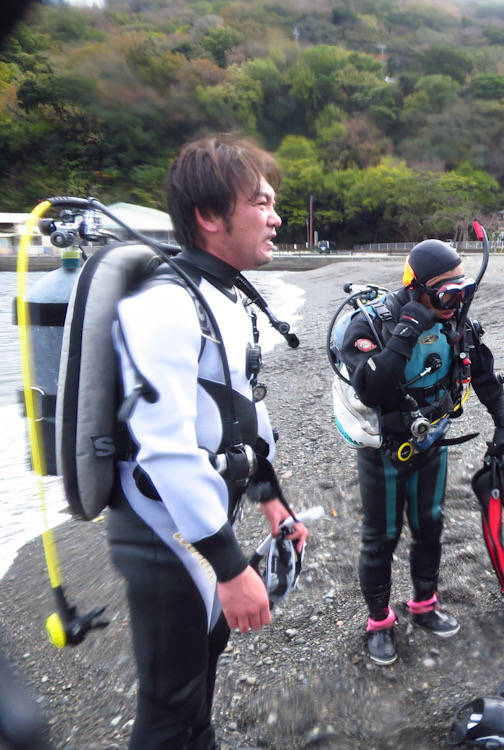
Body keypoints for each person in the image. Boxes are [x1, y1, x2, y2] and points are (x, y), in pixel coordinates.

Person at [107, 133, 309, 748]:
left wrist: (272, 499)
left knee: (200, 681)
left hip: (197, 526)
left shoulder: (220, 295)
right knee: (169, 709)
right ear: (208, 216)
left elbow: (238, 410)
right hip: (162, 535)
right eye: (262, 203)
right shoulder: (165, 305)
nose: (276, 218)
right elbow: (164, 445)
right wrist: (226, 564)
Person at [339, 239, 504, 665]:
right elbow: (371, 387)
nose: (456, 303)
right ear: (416, 288)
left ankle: (424, 603)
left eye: (463, 291)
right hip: (384, 450)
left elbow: (483, 372)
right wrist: (407, 330)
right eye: (446, 294)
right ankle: (379, 620)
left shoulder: (456, 322)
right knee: (381, 539)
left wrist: (503, 420)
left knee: (430, 525)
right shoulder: (370, 325)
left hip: (433, 441)